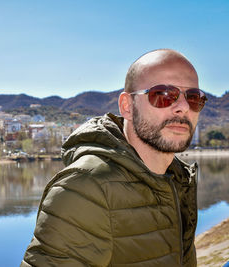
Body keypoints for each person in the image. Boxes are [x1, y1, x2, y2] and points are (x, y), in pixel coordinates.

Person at [21, 49, 207, 266]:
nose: (183, 108)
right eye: (164, 95)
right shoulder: (85, 188)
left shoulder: (178, 179)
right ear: (127, 107)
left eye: (194, 98)